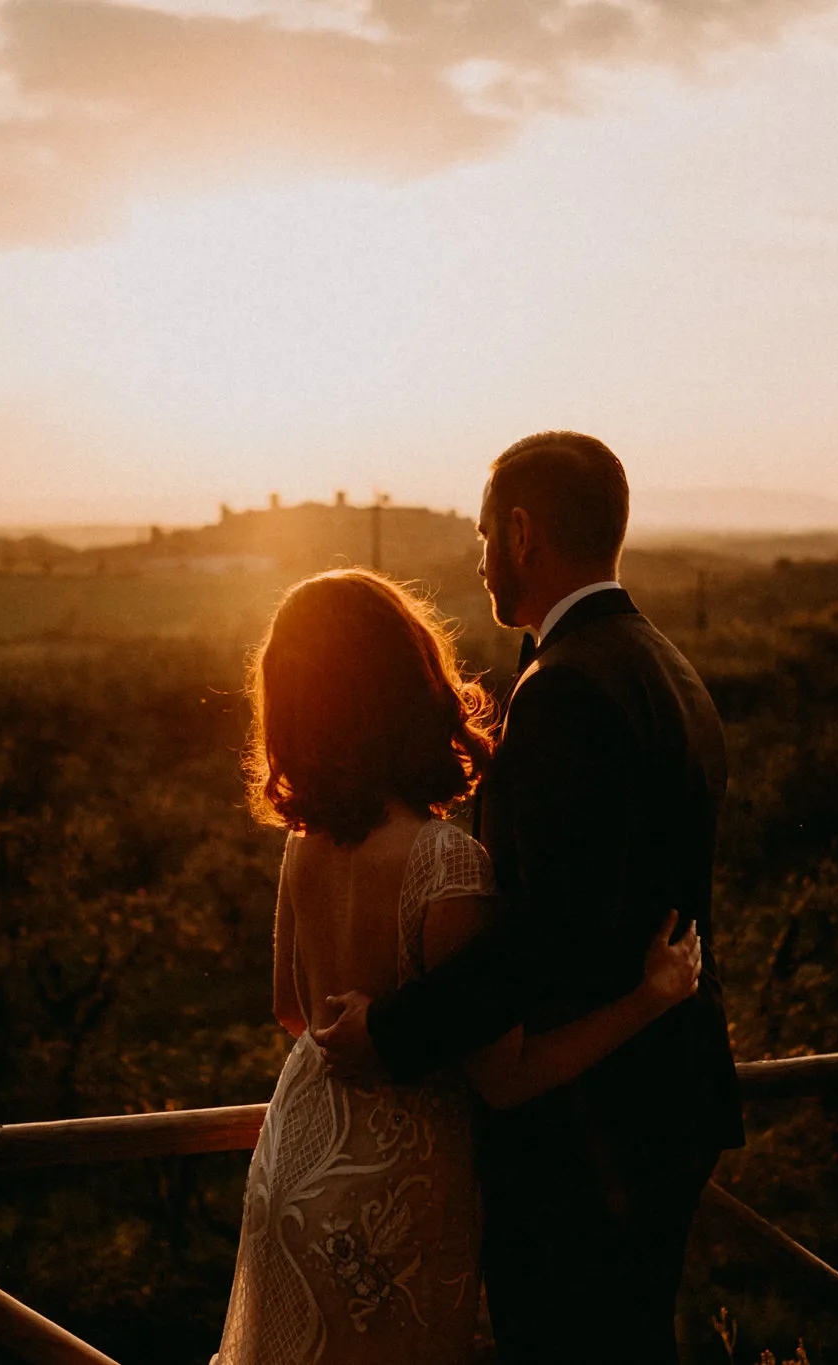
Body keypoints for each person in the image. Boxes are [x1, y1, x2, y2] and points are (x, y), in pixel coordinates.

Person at [314, 431, 745, 1364]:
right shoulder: (671, 669)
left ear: (520, 531)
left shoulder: (566, 691)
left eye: (480, 534)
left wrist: (392, 1033)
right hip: (670, 1090)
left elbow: (545, 932)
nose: (476, 559)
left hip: (588, 1127)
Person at [214, 567, 705, 1365]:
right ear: (412, 681)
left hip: (294, 1164)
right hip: (395, 1197)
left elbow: (294, 1013)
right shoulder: (446, 863)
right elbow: (505, 1076)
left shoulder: (302, 848)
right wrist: (651, 997)